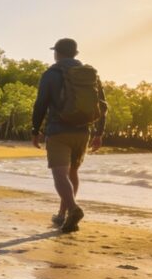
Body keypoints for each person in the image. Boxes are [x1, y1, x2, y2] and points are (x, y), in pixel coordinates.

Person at [31, 38, 107, 233]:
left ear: (57, 53)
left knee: (60, 174)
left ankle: (73, 209)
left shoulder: (51, 74)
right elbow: (102, 105)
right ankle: (62, 215)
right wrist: (99, 133)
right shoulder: (90, 74)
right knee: (72, 172)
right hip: (83, 131)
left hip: (58, 130)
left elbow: (41, 104)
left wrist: (35, 130)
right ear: (76, 53)